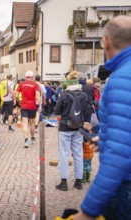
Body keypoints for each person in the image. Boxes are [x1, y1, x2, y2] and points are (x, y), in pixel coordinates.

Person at [74, 15, 131, 220]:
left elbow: (118, 160)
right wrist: (108, 139)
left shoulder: (122, 79)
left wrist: (87, 212)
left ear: (105, 42)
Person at [54, 71, 89, 191]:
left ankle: (64, 183)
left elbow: (57, 111)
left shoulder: (65, 94)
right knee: (78, 154)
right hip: (78, 127)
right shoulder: (84, 95)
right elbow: (86, 110)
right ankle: (78, 182)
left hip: (65, 127)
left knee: (64, 154)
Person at [15, 71, 41, 148]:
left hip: (24, 106)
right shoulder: (35, 84)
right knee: (32, 124)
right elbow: (38, 95)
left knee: (25, 124)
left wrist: (18, 101)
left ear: (25, 77)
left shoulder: (21, 84)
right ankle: (32, 138)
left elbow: (16, 95)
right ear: (32, 77)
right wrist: (40, 106)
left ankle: (26, 140)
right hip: (32, 106)